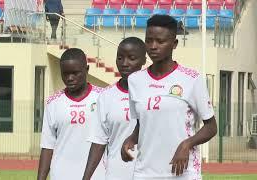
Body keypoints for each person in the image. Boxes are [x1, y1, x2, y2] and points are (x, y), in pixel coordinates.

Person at [121, 15, 217, 180]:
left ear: (174, 44)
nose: (153, 46)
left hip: (182, 172)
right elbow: (142, 123)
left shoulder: (191, 79)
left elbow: (211, 127)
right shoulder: (135, 80)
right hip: (145, 172)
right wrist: (130, 140)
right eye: (149, 40)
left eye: (160, 41)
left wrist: (187, 144)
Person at [82, 37, 146, 180]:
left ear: (144, 60)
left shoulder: (153, 93)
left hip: (150, 173)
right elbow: (99, 142)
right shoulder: (106, 96)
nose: (124, 63)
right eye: (120, 58)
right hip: (116, 174)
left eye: (132, 58)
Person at [37, 48, 106, 180]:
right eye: (65, 74)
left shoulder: (103, 97)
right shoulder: (53, 103)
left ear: (87, 69)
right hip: (61, 174)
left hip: (97, 175)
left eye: (75, 73)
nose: (70, 78)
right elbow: (47, 146)